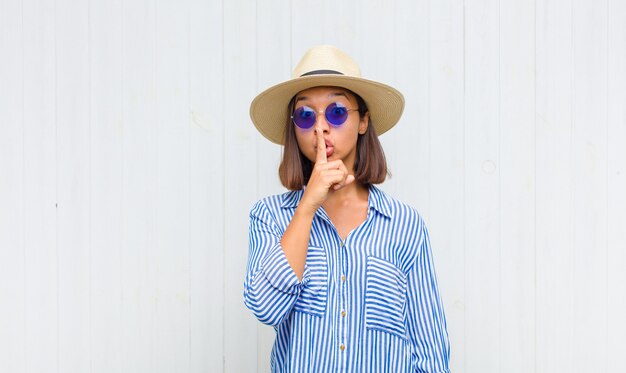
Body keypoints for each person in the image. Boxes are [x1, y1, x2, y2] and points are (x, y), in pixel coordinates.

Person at [244, 45, 450, 373]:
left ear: (363, 121)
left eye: (337, 111)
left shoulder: (405, 225)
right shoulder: (271, 217)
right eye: (306, 115)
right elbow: (266, 308)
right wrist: (308, 206)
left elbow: (430, 348)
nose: (321, 127)